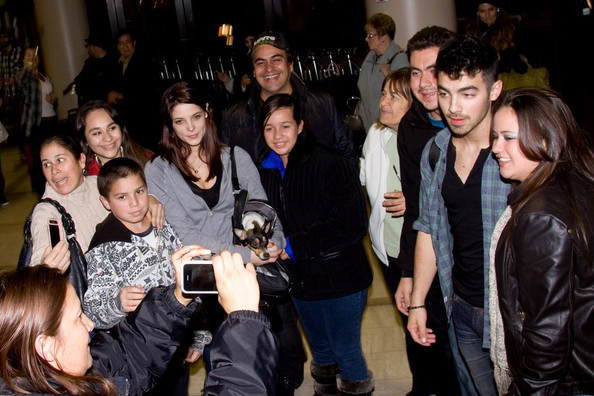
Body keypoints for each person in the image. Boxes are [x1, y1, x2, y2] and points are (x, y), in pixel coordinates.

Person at [0, 248, 279, 396]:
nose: (91, 326)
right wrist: (244, 323)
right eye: (77, 318)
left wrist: (176, 299)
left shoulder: (48, 375)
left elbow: (126, 357)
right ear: (46, 347)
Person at [406, 35, 510, 395]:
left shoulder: (517, 153)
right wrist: (418, 300)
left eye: (468, 93)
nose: (454, 108)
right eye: (446, 93)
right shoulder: (435, 151)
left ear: (494, 90)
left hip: (513, 317)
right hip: (460, 309)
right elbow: (429, 227)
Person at [258, 93, 374, 395]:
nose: (278, 135)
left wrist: (293, 245)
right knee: (321, 352)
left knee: (346, 353)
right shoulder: (264, 171)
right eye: (269, 128)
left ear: (300, 125)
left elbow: (351, 223)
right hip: (300, 281)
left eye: (285, 126)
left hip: (341, 278)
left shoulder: (329, 162)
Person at [489, 87, 594, 395]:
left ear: (545, 139)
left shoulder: (541, 216)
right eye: (495, 136)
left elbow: (547, 332)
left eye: (509, 137)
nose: (496, 147)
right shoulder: (578, 181)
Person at [83, 157, 211, 396]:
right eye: (122, 197)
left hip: (177, 344)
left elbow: (190, 280)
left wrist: (199, 334)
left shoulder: (165, 227)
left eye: (139, 191)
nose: (134, 203)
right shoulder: (102, 247)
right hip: (138, 356)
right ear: (105, 202)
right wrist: (117, 301)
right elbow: (91, 309)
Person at [395, 26, 463, 395]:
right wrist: (409, 274)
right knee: (440, 350)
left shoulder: (486, 120)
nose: (423, 83)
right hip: (432, 255)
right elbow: (415, 207)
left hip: (480, 263)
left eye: (433, 70)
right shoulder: (412, 126)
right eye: (416, 72)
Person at [28, 133, 164, 273]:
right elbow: (38, 263)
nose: (54, 171)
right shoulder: (46, 212)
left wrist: (150, 198)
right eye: (47, 164)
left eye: (60, 160)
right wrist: (44, 269)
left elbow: (134, 194)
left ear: (81, 160)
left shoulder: (98, 185)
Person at [220, 30, 354, 165]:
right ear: (254, 72)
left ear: (290, 66)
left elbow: (347, 155)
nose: (269, 68)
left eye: (276, 60)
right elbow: (228, 171)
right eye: (261, 63)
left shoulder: (323, 104)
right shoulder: (233, 117)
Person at [107, 29, 160, 152]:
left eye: (128, 42)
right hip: (127, 117)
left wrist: (121, 95)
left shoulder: (144, 61)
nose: (125, 46)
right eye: (121, 43)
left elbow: (147, 89)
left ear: (134, 43)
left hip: (143, 117)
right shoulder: (117, 63)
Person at [16, 46, 59, 196]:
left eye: (34, 55)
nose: (32, 58)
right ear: (23, 60)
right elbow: (21, 82)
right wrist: (27, 69)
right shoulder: (25, 77)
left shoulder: (44, 76)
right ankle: (41, 190)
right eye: (27, 56)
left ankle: (54, 184)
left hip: (51, 120)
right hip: (36, 124)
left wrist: (52, 99)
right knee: (39, 158)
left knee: (53, 154)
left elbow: (52, 99)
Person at [357, 13, 409, 133]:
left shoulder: (399, 58)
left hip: (390, 128)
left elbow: (404, 95)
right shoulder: (369, 59)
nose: (366, 39)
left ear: (384, 37)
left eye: (370, 35)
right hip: (370, 126)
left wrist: (389, 75)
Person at [75, 99, 152, 175]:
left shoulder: (149, 163)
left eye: (112, 128)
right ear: (85, 140)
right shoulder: (85, 178)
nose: (108, 138)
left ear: (121, 129)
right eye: (97, 133)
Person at [465, 2, 527, 75]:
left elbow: (521, 68)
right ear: (477, 13)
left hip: (509, 78)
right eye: (482, 11)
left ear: (497, 9)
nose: (487, 15)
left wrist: (505, 52)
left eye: (491, 10)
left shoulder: (511, 30)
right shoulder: (472, 31)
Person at [73, 34, 117, 106]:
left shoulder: (113, 62)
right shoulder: (89, 63)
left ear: (95, 47)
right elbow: (78, 83)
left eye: (88, 45)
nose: (87, 49)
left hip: (106, 106)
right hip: (90, 106)